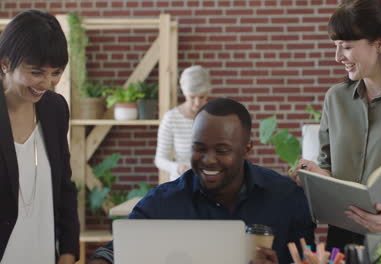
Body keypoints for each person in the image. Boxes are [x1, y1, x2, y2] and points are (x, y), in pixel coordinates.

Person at [89, 98, 315, 264]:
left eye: (222, 150)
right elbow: (113, 253)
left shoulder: (285, 197)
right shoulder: (165, 202)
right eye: (199, 149)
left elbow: (311, 257)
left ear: (247, 149)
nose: (208, 160)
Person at [292, 0, 381, 251]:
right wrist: (314, 176)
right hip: (343, 238)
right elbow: (330, 169)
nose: (338, 57)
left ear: (380, 43)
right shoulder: (336, 99)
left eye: (347, 47)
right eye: (336, 47)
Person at [0, 9, 79, 264]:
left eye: (55, 72)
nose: (47, 83)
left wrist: (68, 252)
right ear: (5, 63)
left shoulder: (54, 109)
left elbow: (64, 187)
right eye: (36, 72)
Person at [154, 65, 211, 181]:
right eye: (192, 97)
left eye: (202, 97)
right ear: (185, 93)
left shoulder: (213, 117)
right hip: (181, 182)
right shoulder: (171, 118)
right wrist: (178, 168)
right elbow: (159, 159)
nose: (197, 103)